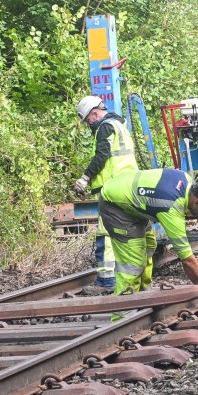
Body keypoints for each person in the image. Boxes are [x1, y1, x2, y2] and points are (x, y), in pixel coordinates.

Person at [99, 168, 198, 293]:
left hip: (129, 197)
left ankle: (143, 294)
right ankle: (124, 310)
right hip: (114, 204)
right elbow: (187, 260)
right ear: (197, 202)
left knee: (149, 245)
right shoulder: (172, 207)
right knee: (132, 263)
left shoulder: (185, 178)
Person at [74, 95, 138, 295]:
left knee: (105, 234)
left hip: (113, 189)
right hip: (129, 186)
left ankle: (106, 281)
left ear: (94, 113)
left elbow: (102, 156)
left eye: (87, 121)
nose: (88, 125)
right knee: (126, 233)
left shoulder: (104, 127)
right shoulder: (120, 125)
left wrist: (85, 178)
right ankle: (127, 277)